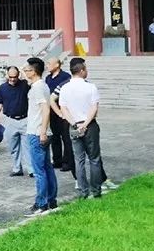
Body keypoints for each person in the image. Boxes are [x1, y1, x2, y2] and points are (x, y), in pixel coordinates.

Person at [57, 57, 103, 199]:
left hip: (73, 125)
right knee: (94, 159)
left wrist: (74, 124)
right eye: (86, 69)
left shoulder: (64, 88)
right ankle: (96, 190)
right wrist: (86, 123)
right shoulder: (90, 87)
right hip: (89, 125)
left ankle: (83, 191)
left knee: (79, 160)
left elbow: (63, 108)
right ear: (82, 71)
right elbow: (94, 107)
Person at [22, 57, 57, 215]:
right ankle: (51, 199)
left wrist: (42, 131)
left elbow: (45, 109)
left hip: (37, 132)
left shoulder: (38, 88)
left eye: (28, 70)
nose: (25, 72)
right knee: (47, 168)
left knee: (39, 170)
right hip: (40, 131)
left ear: (34, 72)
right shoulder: (41, 86)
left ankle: (42, 202)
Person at [0, 66, 31, 176]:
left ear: (18, 75)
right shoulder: (3, 88)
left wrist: (24, 72)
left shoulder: (24, 84)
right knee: (13, 147)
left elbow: (31, 82)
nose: (12, 79)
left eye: (15, 77)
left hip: (25, 119)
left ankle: (31, 170)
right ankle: (16, 168)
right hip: (9, 120)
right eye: (10, 77)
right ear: (7, 75)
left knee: (27, 147)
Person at [45, 57, 73, 173]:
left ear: (57, 65)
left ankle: (67, 162)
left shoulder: (65, 77)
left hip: (63, 111)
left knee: (65, 137)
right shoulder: (47, 78)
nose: (47, 66)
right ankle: (57, 160)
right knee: (55, 136)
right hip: (51, 111)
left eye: (49, 63)